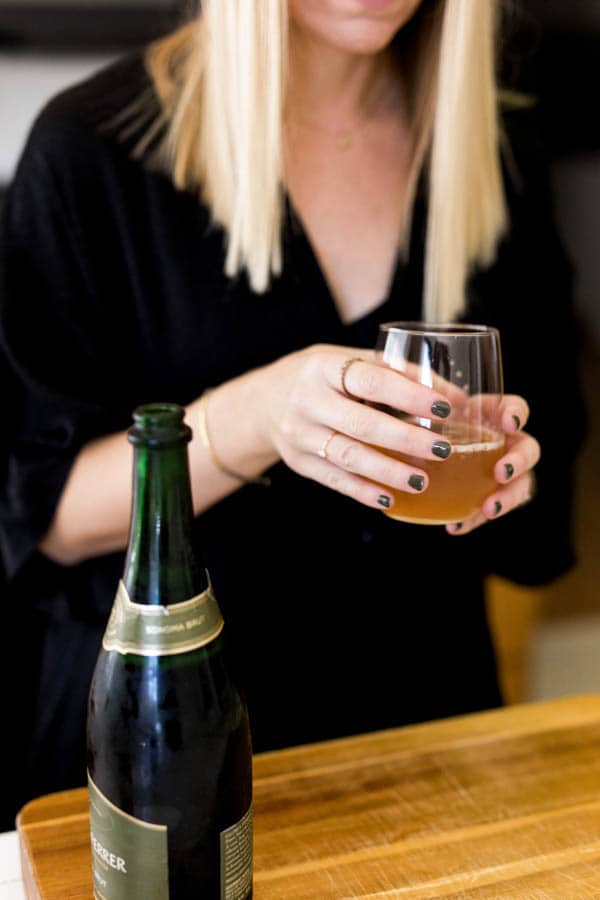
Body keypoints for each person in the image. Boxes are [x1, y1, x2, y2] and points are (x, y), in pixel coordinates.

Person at [0, 0, 584, 827]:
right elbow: (41, 515)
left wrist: (511, 475)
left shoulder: (493, 145)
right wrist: (255, 418)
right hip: (172, 764)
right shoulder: (91, 150)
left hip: (422, 738)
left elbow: (546, 477)